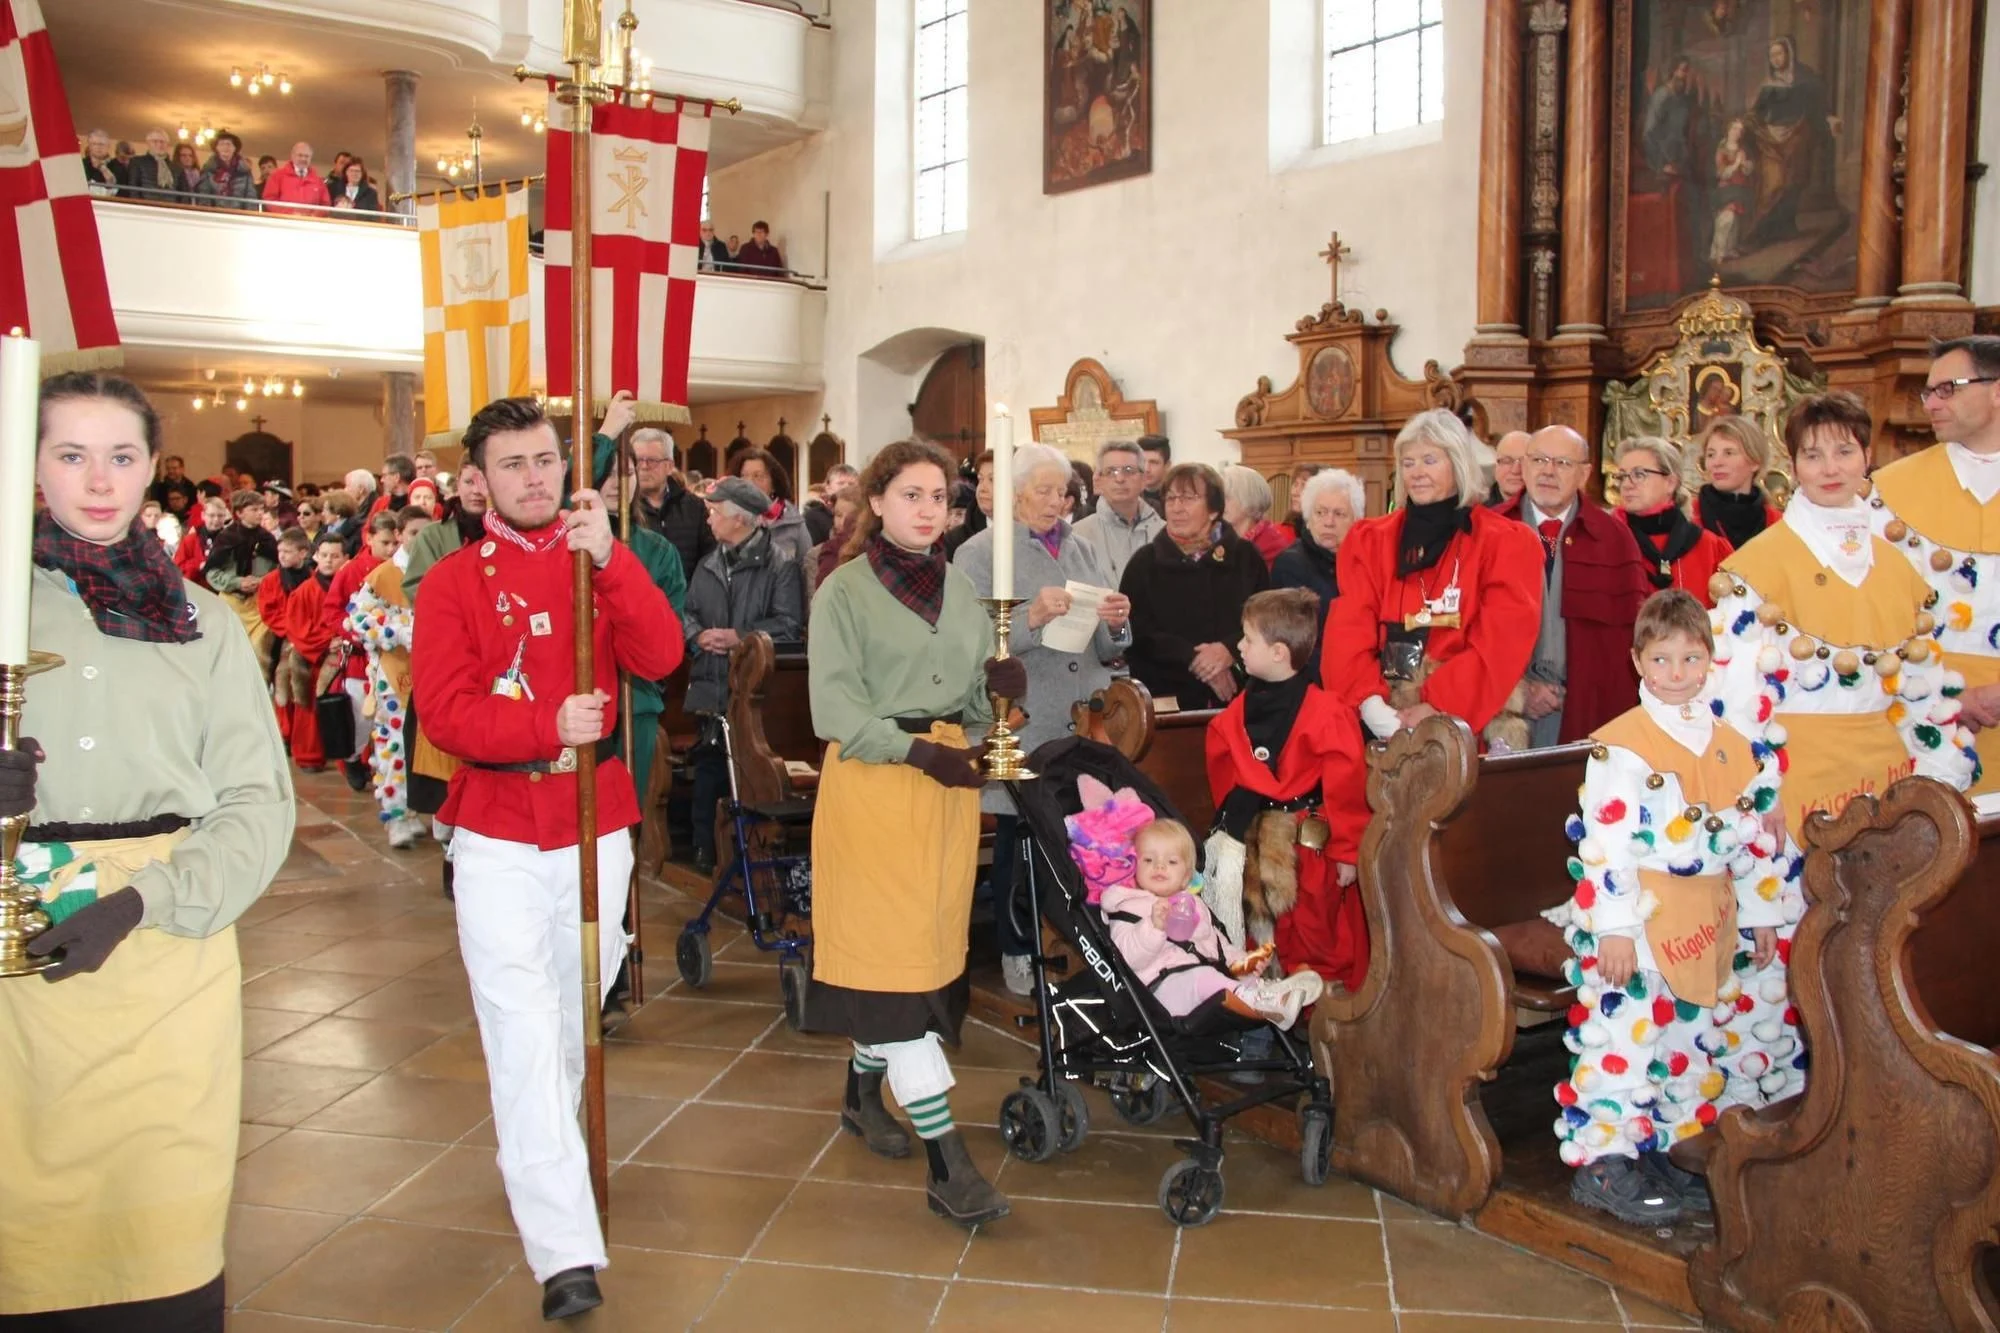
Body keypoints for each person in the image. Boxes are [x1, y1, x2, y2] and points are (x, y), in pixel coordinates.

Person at [1, 371, 292, 1329]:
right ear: (29, 462)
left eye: (122, 456)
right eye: (70, 453)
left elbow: (257, 802)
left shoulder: (203, 621)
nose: (98, 480)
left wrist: (143, 902)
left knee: (159, 1236)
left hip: (169, 949)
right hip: (21, 945)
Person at [410, 397, 681, 1321]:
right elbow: (444, 712)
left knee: (570, 1027)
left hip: (594, 825)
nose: (534, 477)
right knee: (522, 1032)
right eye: (514, 463)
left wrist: (610, 558)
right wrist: (542, 725)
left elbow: (662, 651)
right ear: (479, 478)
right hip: (494, 830)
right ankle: (563, 1251)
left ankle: (541, 1164)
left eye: (547, 460)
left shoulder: (594, 559)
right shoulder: (450, 582)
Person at [803, 437, 1021, 1227]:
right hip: (875, 791)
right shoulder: (845, 592)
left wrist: (996, 701)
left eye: (941, 498)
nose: (929, 510)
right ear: (877, 502)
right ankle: (948, 1165)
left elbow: (968, 705)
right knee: (893, 980)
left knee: (914, 964)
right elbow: (836, 713)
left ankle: (864, 1093)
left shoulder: (964, 594)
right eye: (912, 495)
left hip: (943, 800)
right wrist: (920, 750)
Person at [1551, 589, 1786, 1226]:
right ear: (1638, 662)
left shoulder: (1734, 745)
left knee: (1682, 1035)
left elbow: (1756, 834)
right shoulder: (1622, 746)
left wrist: (1762, 915)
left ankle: (1653, 1145)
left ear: (1709, 659)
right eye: (1662, 660)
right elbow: (1607, 845)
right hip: (1640, 918)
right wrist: (1616, 930)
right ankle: (1602, 1159)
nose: (1676, 674)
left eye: (1689, 658)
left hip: (1705, 916)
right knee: (1625, 1037)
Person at [1711, 390, 1980, 834]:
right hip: (1795, 780)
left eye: (1844, 451)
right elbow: (1734, 690)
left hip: (1887, 781)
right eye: (1813, 455)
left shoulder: (1898, 563)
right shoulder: (1755, 566)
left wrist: (1935, 777)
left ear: (1867, 457)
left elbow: (1922, 688)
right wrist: (1756, 789)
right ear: (1793, 465)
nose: (1830, 469)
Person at [953, 442, 1133, 995]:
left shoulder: (1079, 548)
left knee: (1081, 834)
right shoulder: (979, 554)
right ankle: (1017, 949)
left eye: (1062, 491)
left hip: (1080, 717)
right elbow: (967, 645)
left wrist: (1119, 622)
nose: (1056, 501)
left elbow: (1107, 648)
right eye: (1043, 490)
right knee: (1021, 835)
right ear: (1014, 494)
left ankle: (1078, 943)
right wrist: (1030, 618)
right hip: (1020, 718)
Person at [1324, 409, 1543, 748]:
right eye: (1408, 463)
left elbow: (1501, 643)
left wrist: (1438, 704)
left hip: (1466, 723)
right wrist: (1371, 706)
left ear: (1458, 464)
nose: (1417, 473)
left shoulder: (1506, 541)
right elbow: (1348, 630)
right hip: (1378, 720)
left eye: (1429, 460)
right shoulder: (1368, 541)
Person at [1204, 588, 1370, 993]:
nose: (1238, 646)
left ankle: (1321, 1013)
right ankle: (1262, 1007)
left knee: (1316, 929)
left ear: (1279, 652)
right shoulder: (1239, 709)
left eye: (1247, 639)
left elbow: (1346, 786)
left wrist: (1347, 852)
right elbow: (1223, 769)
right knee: (1254, 931)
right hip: (1252, 839)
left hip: (1307, 843)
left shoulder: (1328, 712)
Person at [1869, 335, 2000, 795]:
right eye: (1929, 391)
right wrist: (1941, 697)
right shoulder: (1888, 492)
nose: (1930, 403)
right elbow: (1870, 613)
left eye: (1949, 388)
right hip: (1917, 723)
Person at [1499, 424, 1653, 747]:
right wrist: (1517, 692)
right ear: (1524, 466)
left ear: (1585, 473)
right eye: (1539, 460)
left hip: (1586, 714)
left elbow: (1630, 640)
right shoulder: (1489, 529)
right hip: (1501, 713)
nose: (1548, 471)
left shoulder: (1614, 538)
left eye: (1563, 463)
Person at [682, 476, 805, 874]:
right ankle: (705, 853)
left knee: (750, 778)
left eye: (715, 512)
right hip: (711, 682)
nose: (709, 520)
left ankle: (748, 862)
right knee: (709, 774)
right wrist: (697, 635)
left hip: (754, 691)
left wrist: (740, 638)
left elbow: (789, 627)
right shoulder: (708, 563)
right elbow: (688, 612)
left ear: (738, 518)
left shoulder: (780, 565)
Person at [1102, 819, 1317, 1028]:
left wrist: (1245, 964)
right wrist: (1153, 927)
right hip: (1163, 991)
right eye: (1148, 860)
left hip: (1207, 982)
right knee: (1205, 978)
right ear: (1135, 865)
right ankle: (1266, 1000)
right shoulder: (1127, 907)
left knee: (1233, 979)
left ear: (1186, 876)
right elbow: (1126, 959)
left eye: (1172, 862)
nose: (1159, 866)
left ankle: (1270, 995)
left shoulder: (1195, 906)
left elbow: (1219, 948)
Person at [1121, 462, 1269, 710]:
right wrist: (1196, 660)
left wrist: (1228, 650)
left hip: (1239, 692)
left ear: (1213, 509)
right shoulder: (1145, 562)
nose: (1177, 508)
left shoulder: (1245, 557)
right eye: (1171, 499)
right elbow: (1136, 632)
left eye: (1188, 498)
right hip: (1168, 698)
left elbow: (1265, 619)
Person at [347, 508, 434, 849]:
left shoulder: (440, 569)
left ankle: (431, 809)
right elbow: (358, 619)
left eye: (427, 533)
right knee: (395, 741)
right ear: (399, 534)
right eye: (414, 532)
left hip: (433, 670)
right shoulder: (383, 575)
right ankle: (398, 815)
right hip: (395, 672)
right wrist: (397, 630)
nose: (421, 539)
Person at [321, 512, 399, 791]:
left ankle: (390, 771)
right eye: (386, 542)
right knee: (360, 718)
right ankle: (354, 759)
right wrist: (354, 632)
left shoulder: (404, 569)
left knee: (393, 718)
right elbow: (332, 610)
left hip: (396, 657)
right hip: (360, 657)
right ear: (369, 539)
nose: (391, 549)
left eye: (395, 543)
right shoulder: (352, 571)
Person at [1612, 437, 1734, 607]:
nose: (1626, 485)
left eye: (1639, 474)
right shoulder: (1607, 542)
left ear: (1670, 483)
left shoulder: (1710, 548)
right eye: (1622, 476)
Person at [1271, 467, 1363, 679]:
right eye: (1320, 512)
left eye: (1339, 514)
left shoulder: (1366, 561)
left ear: (1356, 520)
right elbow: (1295, 642)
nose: (1328, 522)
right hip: (1313, 680)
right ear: (1308, 517)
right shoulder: (1291, 563)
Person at [617, 426, 713, 576]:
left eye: (652, 461)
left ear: (669, 466)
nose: (643, 467)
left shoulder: (695, 507)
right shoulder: (621, 508)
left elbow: (709, 559)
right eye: (638, 460)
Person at [1071, 439, 1164, 586]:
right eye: (1111, 471)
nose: (1120, 479)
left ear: (1143, 479)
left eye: (1129, 471)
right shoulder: (1077, 536)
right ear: (1099, 479)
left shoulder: (1164, 533)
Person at [203, 488, 281, 650]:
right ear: (239, 513)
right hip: (231, 603)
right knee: (230, 652)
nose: (260, 513)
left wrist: (262, 581)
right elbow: (212, 572)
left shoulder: (268, 539)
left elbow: (279, 570)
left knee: (259, 653)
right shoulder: (226, 538)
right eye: (254, 509)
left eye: (262, 509)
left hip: (260, 605)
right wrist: (237, 582)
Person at [1690, 415, 1783, 550]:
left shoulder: (1776, 524)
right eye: (1710, 455)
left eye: (1728, 453)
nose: (1717, 463)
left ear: (1755, 461)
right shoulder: (1688, 517)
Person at [730, 446, 812, 569]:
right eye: (744, 476)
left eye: (758, 476)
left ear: (773, 484)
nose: (749, 483)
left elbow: (807, 567)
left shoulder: (792, 522)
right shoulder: (728, 518)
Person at [1221, 464, 1294, 570]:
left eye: (1226, 497)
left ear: (1249, 498)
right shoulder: (1218, 537)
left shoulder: (1272, 545)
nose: (1220, 503)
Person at [941, 451, 993, 560]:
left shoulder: (1032, 533)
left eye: (992, 480)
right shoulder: (954, 541)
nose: (983, 488)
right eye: (980, 479)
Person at [175, 493, 230, 586]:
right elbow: (177, 566)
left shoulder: (230, 539)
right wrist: (199, 565)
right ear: (203, 515)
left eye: (220, 516)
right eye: (212, 515)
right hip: (194, 587)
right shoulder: (191, 539)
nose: (216, 519)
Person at [262, 141, 331, 215]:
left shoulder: (318, 181)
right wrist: (289, 214)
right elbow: (269, 199)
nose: (303, 159)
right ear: (292, 156)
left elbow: (325, 204)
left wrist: (314, 216)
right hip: (283, 223)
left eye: (307, 156)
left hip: (310, 224)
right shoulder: (277, 176)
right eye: (300, 155)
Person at [195, 132, 258, 210]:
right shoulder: (208, 170)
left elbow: (251, 196)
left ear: (234, 148)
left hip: (238, 216)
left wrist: (249, 216)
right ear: (216, 148)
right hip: (215, 215)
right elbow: (203, 195)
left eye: (228, 144)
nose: (225, 147)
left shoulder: (245, 171)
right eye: (221, 144)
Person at [123, 128, 176, 198]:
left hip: (171, 207)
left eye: (162, 142)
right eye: (155, 141)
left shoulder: (177, 168)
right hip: (146, 205)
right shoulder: (137, 162)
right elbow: (133, 187)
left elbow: (183, 193)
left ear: (167, 144)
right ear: (148, 143)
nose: (159, 144)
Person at [1488, 429, 1530, 507]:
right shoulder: (1474, 513)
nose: (1515, 470)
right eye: (1507, 461)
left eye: (1524, 462)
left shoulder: (1550, 511)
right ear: (1495, 466)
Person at [79, 128, 124, 195]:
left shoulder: (118, 166)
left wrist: (102, 168)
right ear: (89, 145)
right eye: (94, 144)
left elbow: (115, 188)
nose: (98, 147)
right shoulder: (80, 164)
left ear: (108, 146)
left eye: (101, 144)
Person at [1137, 434, 1171, 514]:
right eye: (1142, 461)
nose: (1146, 469)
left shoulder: (1175, 499)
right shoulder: (1129, 497)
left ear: (1167, 465)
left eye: (1154, 462)